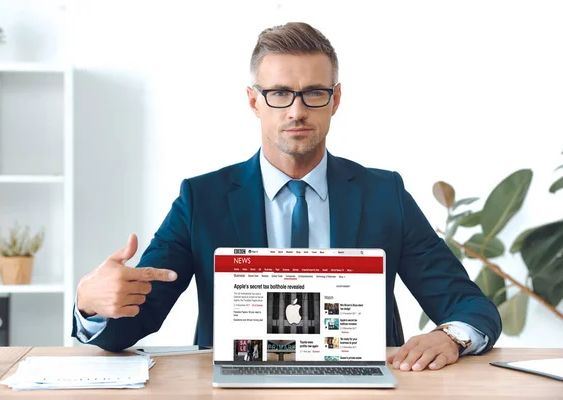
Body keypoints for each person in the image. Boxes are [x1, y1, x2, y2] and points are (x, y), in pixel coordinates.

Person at [72, 22, 501, 372]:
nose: (296, 111)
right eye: (279, 94)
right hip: (240, 386)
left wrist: (450, 336)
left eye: (314, 93)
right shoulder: (201, 199)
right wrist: (92, 305)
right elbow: (133, 323)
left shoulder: (383, 194)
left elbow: (469, 305)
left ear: (335, 100)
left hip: (364, 387)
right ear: (254, 102)